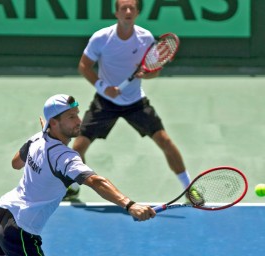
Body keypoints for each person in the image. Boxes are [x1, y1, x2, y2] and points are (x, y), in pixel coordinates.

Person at [0, 94, 155, 256]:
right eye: (70, 117)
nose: (78, 121)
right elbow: (95, 181)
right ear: (54, 122)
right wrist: (129, 204)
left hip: (3, 216)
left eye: (77, 114)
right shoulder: (65, 157)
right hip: (20, 231)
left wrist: (41, 136)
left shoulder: (36, 139)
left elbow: (15, 163)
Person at [71, 0, 203, 203]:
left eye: (132, 7)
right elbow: (84, 66)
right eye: (123, 8)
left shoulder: (145, 37)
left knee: (165, 141)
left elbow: (154, 71)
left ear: (137, 12)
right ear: (116, 13)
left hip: (135, 101)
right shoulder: (101, 38)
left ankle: (188, 189)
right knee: (77, 148)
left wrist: (145, 74)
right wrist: (103, 87)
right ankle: (72, 188)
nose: (128, 11)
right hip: (105, 102)